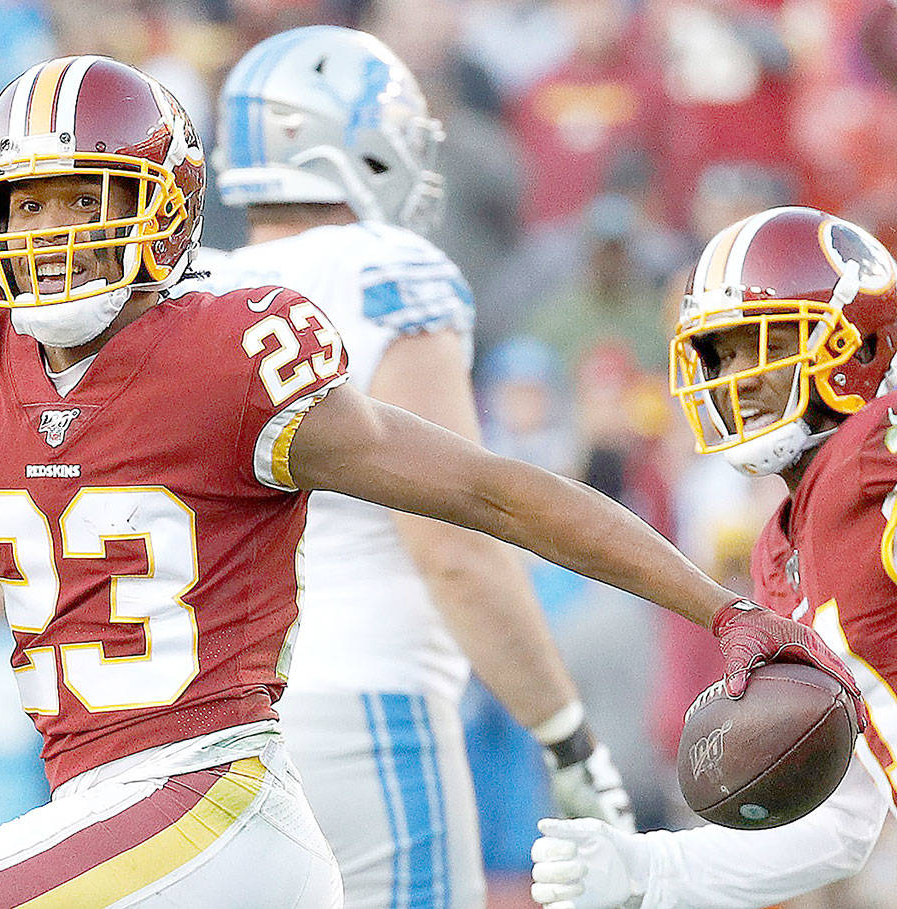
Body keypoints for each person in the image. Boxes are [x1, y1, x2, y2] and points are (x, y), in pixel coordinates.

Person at [0, 56, 857, 908]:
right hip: (104, 812)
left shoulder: (228, 351)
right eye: (32, 201)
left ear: (167, 212)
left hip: (204, 803)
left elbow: (489, 492)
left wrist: (720, 607)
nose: (57, 228)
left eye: (90, 196)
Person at [190, 26, 632, 909]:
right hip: (364, 712)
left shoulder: (197, 290)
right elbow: (455, 544)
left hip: (203, 730)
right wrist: (567, 734)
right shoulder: (388, 270)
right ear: (347, 142)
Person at [531, 205, 897, 909]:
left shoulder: (872, 454)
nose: (735, 377)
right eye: (721, 353)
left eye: (761, 345)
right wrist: (654, 869)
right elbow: (842, 818)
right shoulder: (781, 549)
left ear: (856, 346)